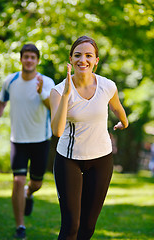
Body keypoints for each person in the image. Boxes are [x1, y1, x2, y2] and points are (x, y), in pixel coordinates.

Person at [50, 36, 129, 240]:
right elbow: (57, 131)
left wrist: (124, 122)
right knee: (71, 227)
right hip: (69, 160)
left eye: (88, 55)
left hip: (101, 160)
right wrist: (67, 94)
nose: (82, 60)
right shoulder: (58, 91)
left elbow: (117, 108)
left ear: (96, 60)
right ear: (70, 59)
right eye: (77, 55)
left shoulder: (107, 86)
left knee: (87, 227)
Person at [0, 44, 55, 239]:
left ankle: (29, 193)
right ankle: (20, 226)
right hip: (18, 140)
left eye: (32, 57)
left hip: (40, 140)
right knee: (18, 180)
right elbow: (2, 102)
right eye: (26, 57)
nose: (29, 60)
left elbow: (53, 106)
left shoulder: (46, 82)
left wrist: (41, 93)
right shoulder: (10, 81)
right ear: (20, 59)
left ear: (37, 60)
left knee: (36, 183)